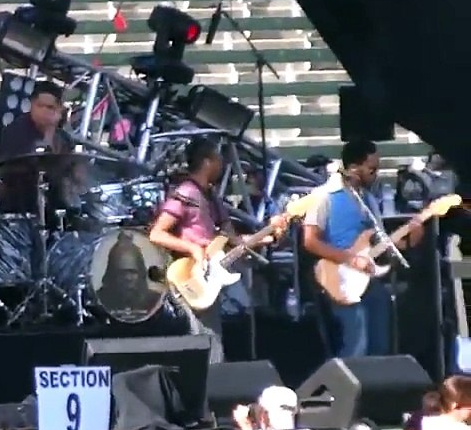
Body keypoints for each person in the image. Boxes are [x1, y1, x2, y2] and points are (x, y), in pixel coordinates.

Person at [148, 137, 279, 363]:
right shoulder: (186, 193)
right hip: (191, 275)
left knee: (212, 336)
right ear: (207, 162)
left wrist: (266, 236)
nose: (222, 165)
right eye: (218, 159)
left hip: (211, 272)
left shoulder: (212, 197)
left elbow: (231, 239)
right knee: (205, 338)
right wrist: (192, 248)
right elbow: (157, 233)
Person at [303, 139, 418, 357]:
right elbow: (310, 241)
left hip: (368, 278)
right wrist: (349, 259)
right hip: (338, 279)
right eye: (372, 169)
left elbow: (380, 242)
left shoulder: (369, 200)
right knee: (356, 344)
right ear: (354, 168)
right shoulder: (324, 195)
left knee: (380, 346)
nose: (376, 175)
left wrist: (410, 239)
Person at [0, 83, 78, 216]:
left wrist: (51, 129)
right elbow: (15, 168)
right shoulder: (16, 131)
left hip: (53, 205)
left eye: (50, 107)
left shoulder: (63, 138)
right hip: (21, 206)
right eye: (39, 106)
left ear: (59, 110)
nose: (43, 111)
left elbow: (73, 171)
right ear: (32, 105)